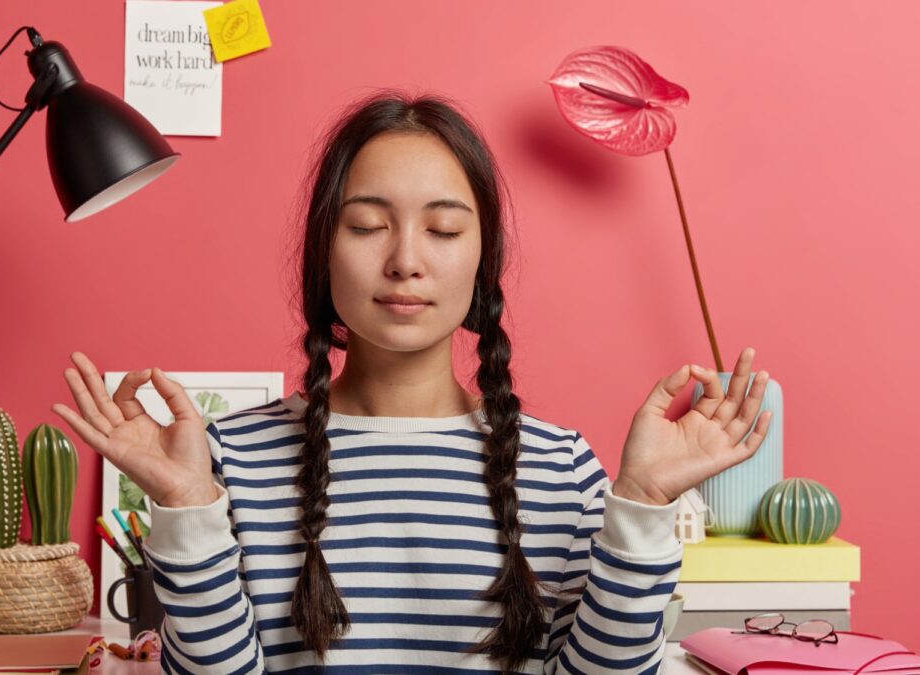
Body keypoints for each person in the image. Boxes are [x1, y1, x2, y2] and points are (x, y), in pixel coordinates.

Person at [52, 91, 772, 674]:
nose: (405, 260)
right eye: (368, 225)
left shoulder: (562, 470)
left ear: (483, 262)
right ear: (322, 256)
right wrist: (186, 504)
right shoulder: (226, 460)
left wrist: (642, 505)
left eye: (444, 230)